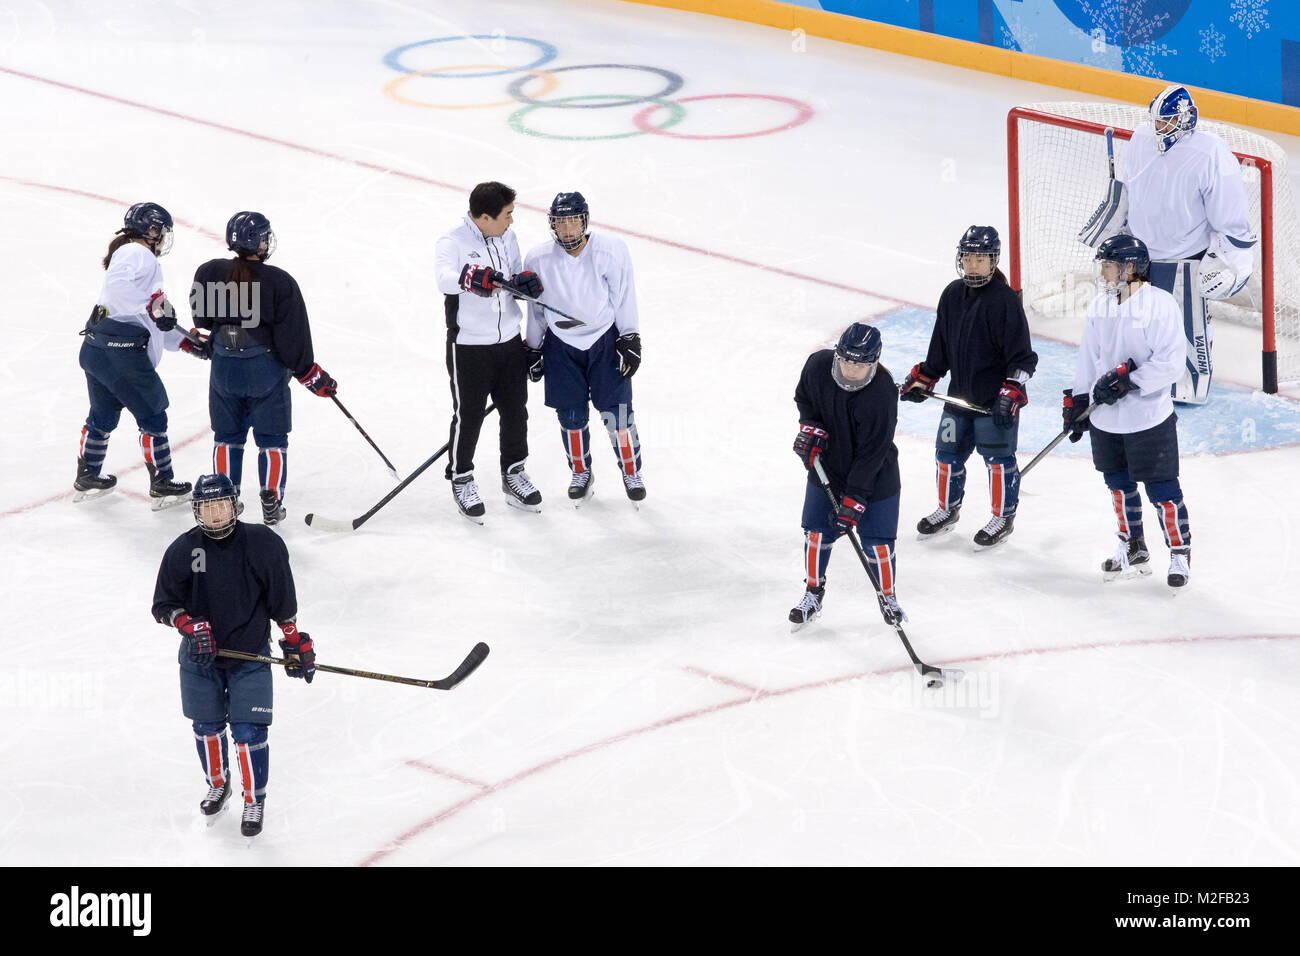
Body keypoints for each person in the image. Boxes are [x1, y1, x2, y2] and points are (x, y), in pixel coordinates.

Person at [151, 473, 316, 837]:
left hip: (249, 655)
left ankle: (254, 798)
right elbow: (163, 604)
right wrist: (188, 625)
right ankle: (218, 782)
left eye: (220, 505)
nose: (214, 515)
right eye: (206, 507)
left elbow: (281, 600)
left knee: (248, 731)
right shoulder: (184, 549)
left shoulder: (262, 544)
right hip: (199, 658)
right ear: (197, 510)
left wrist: (292, 640)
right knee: (206, 727)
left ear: (234, 505)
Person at [1083, 85, 1255, 405]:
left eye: (1167, 121)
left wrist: (1231, 258)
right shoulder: (1141, 138)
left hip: (1185, 256)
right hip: (1140, 255)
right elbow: (1132, 187)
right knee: (1133, 322)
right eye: (1157, 121)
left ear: (1187, 118)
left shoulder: (1210, 152)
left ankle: (1185, 388)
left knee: (1186, 328)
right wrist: (1119, 223)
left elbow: (1230, 215)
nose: (1160, 128)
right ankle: (1129, 377)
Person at [182, 211, 335, 526]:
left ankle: (224, 498)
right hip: (264, 373)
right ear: (257, 242)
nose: (268, 241)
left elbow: (201, 321)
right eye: (264, 236)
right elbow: (293, 338)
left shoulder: (209, 271)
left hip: (224, 369)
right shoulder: (279, 281)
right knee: (272, 439)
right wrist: (310, 373)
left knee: (227, 436)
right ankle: (271, 498)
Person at [1064, 235, 1191, 589]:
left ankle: (1179, 551)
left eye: (1108, 265)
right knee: (1118, 486)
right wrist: (1077, 401)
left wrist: (1128, 382)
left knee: (1162, 489)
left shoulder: (1160, 305)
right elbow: (1089, 358)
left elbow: (1171, 364)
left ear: (1130, 268)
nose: (1103, 272)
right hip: (1107, 418)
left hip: (1148, 418)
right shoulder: (1100, 307)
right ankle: (1131, 545)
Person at [900, 226, 1038, 548]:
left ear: (993, 261)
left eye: (981, 258)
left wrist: (1011, 390)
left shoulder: (1004, 301)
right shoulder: (951, 295)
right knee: (947, 456)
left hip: (994, 402)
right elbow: (941, 348)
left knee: (998, 460)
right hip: (958, 397)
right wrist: (926, 377)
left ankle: (1003, 517)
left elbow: (1023, 358)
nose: (973, 264)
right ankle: (947, 510)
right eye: (969, 257)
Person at [74, 202, 209, 507]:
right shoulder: (138, 253)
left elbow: (147, 316)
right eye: (160, 231)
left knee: (102, 415)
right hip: (122, 355)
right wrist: (153, 308)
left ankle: (87, 476)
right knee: (152, 415)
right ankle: (162, 482)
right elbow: (119, 290)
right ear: (151, 230)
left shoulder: (131, 255)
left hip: (97, 350)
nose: (162, 238)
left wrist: (185, 342)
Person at [523, 192, 644, 506]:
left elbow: (624, 294)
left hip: (604, 341)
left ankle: (631, 472)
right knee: (571, 417)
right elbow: (536, 309)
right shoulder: (537, 259)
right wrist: (533, 348)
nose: (567, 229)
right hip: (561, 348)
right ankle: (581, 473)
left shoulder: (611, 250)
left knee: (618, 415)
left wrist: (629, 337)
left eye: (572, 220)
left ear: (584, 220)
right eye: (560, 222)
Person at [434, 182, 542, 522]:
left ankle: (514, 472)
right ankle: (462, 476)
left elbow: (510, 276)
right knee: (469, 417)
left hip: (509, 341)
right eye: (507, 215)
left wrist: (523, 284)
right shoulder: (452, 242)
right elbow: (444, 279)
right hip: (469, 348)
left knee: (515, 411)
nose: (511, 221)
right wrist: (471, 277)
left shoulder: (507, 237)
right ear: (484, 217)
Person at [790, 323, 903, 630]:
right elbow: (805, 399)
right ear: (838, 355)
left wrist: (855, 498)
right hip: (827, 466)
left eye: (861, 364)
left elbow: (873, 454)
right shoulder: (817, 366)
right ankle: (813, 592)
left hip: (875, 476)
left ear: (874, 363)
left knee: (878, 545)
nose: (852, 369)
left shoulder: (881, 393)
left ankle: (888, 597)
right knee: (815, 534)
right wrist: (811, 428)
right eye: (848, 361)